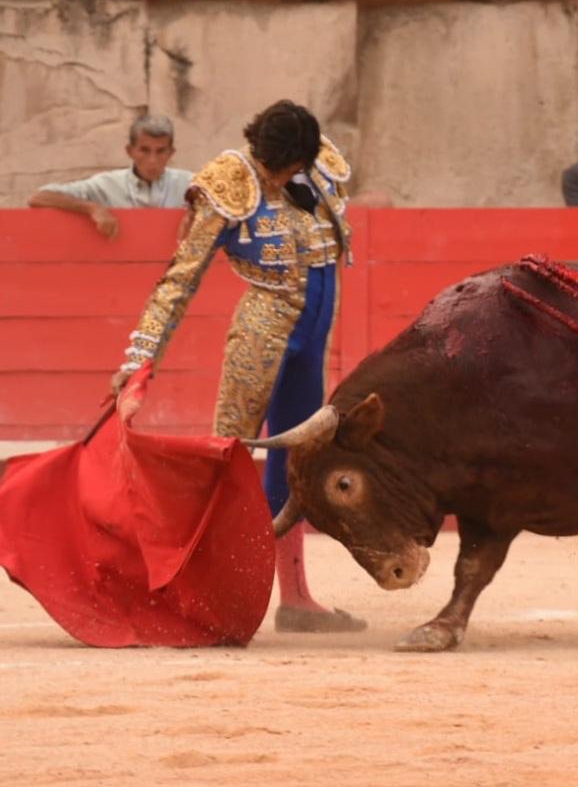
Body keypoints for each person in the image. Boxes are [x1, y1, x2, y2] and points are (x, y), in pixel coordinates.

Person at [110, 100, 366, 633]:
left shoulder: (318, 168)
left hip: (311, 338)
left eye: (289, 168)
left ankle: (295, 598)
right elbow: (179, 280)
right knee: (230, 460)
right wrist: (139, 361)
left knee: (296, 463)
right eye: (276, 169)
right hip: (262, 335)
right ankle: (199, 593)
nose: (280, 179)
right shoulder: (228, 183)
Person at [29, 115, 193, 240]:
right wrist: (92, 208)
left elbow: (218, 200)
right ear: (130, 151)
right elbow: (39, 197)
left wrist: (199, 212)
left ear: (171, 153)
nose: (152, 160)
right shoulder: (106, 185)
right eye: (144, 150)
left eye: (160, 151)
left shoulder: (191, 183)